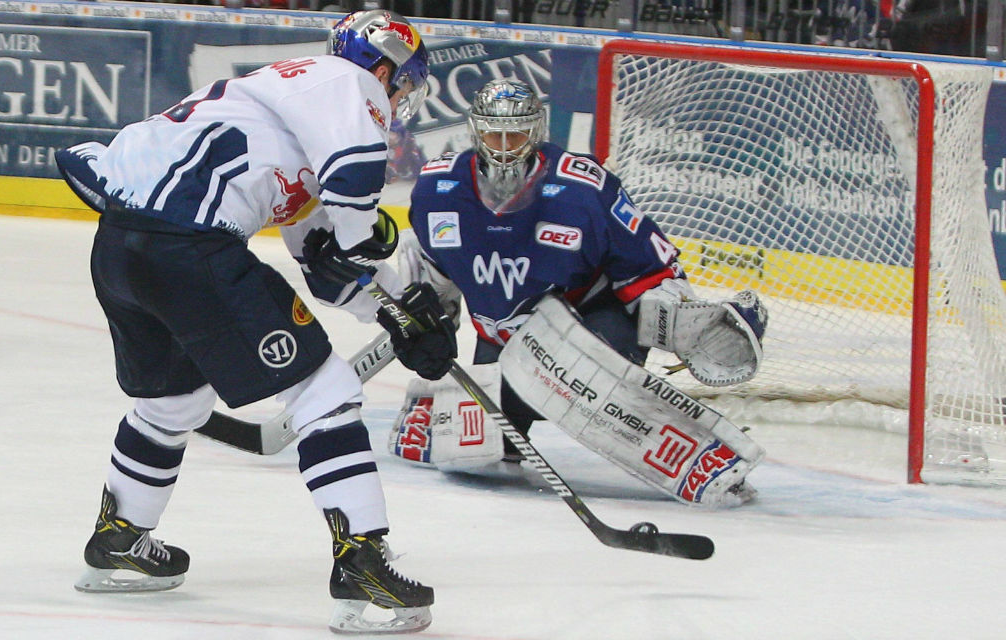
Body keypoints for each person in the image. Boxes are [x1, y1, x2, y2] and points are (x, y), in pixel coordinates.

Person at [55, 10, 453, 635]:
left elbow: (321, 260)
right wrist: (384, 251)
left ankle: (120, 536)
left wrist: (393, 314)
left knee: (172, 401)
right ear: (384, 68)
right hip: (192, 248)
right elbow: (353, 212)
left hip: (123, 245)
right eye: (401, 83)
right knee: (324, 392)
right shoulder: (346, 84)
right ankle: (362, 562)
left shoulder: (285, 102)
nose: (397, 100)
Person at [395, 79, 767, 506]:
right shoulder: (437, 190)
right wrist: (424, 326)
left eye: (514, 135)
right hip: (502, 339)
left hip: (587, 326)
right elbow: (435, 276)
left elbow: (651, 266)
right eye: (493, 134)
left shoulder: (582, 189)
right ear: (476, 131)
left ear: (536, 132)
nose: (502, 146)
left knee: (580, 381)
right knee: (469, 453)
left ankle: (702, 455)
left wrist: (684, 323)